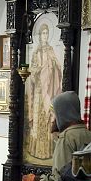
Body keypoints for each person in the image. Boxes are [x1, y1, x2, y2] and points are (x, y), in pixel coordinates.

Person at [21, 91, 91, 181]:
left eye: (55, 115)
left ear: (63, 114)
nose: (53, 120)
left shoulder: (66, 138)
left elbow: (59, 179)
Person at [24, 23, 62, 161]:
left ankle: (47, 152)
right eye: (42, 33)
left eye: (46, 33)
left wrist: (53, 67)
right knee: (39, 119)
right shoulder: (36, 53)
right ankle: (37, 151)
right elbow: (31, 74)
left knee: (47, 118)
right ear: (39, 36)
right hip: (39, 93)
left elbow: (58, 70)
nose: (44, 36)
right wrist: (37, 70)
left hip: (50, 91)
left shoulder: (51, 51)